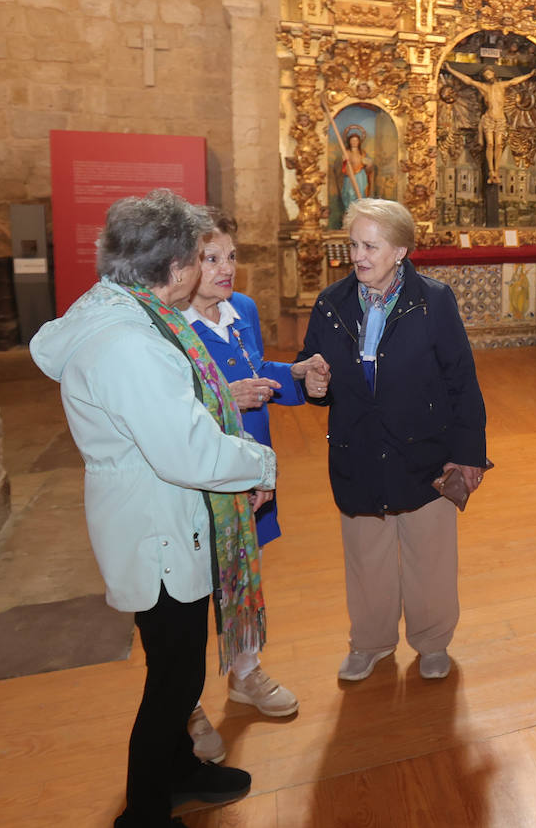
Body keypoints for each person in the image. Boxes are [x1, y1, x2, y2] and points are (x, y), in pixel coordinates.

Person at [30, 190, 276, 828]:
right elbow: (185, 451)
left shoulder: (120, 309)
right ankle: (144, 810)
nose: (203, 269)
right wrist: (261, 464)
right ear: (174, 270)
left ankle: (179, 772)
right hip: (156, 523)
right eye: (197, 258)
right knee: (172, 679)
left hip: (152, 512)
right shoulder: (131, 344)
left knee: (178, 664)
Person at [298, 198, 488, 683]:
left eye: (370, 246)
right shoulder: (331, 303)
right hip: (358, 452)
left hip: (424, 451)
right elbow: (311, 367)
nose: (358, 255)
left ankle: (432, 642)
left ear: (400, 249)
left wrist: (469, 455)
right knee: (366, 557)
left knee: (430, 556)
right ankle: (370, 642)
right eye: (354, 244)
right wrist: (310, 384)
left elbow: (461, 379)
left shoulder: (434, 300)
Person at [179, 213, 331, 761]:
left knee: (243, 575)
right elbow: (165, 411)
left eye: (231, 257)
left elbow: (255, 369)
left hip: (251, 477)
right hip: (200, 481)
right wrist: (223, 400)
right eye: (210, 259)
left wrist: (294, 374)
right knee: (194, 591)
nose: (226, 270)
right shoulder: (170, 327)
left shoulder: (240, 311)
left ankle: (244, 673)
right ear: (179, 265)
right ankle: (185, 701)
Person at [443, 64, 536, 176]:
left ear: (494, 74)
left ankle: (496, 170)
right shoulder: (484, 87)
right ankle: (491, 170)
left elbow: (515, 81)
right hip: (489, 118)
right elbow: (467, 80)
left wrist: (530, 74)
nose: (488, 76)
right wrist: (450, 69)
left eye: (489, 73)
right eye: (486, 75)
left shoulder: (502, 85)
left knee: (498, 145)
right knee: (489, 144)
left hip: (500, 118)